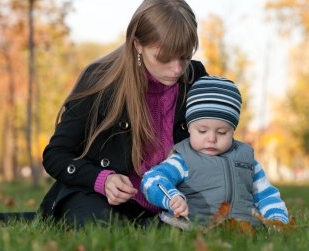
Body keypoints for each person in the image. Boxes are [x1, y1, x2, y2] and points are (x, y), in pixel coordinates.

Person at [38, 0, 208, 227]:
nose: (177, 69)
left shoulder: (196, 78)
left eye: (185, 57)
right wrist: (102, 180)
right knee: (98, 225)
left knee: (196, 225)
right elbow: (56, 154)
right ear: (137, 44)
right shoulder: (100, 79)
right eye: (163, 58)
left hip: (172, 203)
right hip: (97, 199)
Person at [141, 76, 289, 227]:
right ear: (190, 128)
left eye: (222, 132)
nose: (211, 138)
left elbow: (266, 194)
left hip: (242, 230)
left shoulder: (247, 160)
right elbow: (152, 179)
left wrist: (276, 219)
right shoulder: (183, 158)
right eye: (202, 131)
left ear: (233, 131)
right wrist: (171, 197)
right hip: (190, 227)